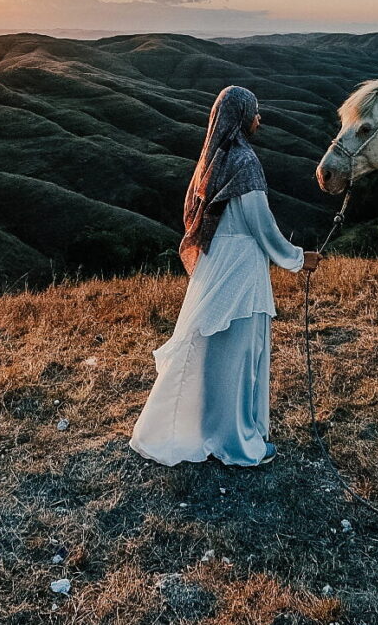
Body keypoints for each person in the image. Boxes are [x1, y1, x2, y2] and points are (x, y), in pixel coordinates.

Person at [129, 85, 321, 467]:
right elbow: (261, 226)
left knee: (211, 355)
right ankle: (238, 444)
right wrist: (299, 258)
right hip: (241, 269)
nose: (259, 118)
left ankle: (207, 430)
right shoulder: (245, 162)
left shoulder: (212, 158)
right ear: (241, 117)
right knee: (239, 357)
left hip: (217, 263)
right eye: (255, 111)